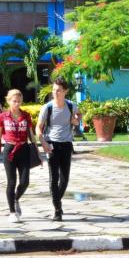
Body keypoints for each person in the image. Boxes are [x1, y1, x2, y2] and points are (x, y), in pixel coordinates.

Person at [0, 89, 39, 223]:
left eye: (19, 101)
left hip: (24, 149)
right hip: (9, 150)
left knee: (25, 182)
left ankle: (16, 198)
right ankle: (12, 212)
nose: (17, 104)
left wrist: (37, 151)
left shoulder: (26, 116)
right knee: (11, 182)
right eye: (14, 101)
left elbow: (31, 135)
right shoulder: (2, 117)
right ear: (8, 101)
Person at [37, 78, 81, 222]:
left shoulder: (70, 105)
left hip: (66, 145)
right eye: (54, 90)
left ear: (65, 92)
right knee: (53, 178)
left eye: (59, 90)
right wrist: (43, 142)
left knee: (65, 179)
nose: (55, 92)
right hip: (51, 145)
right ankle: (57, 210)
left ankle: (56, 199)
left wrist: (76, 120)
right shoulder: (47, 107)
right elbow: (38, 127)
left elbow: (78, 115)